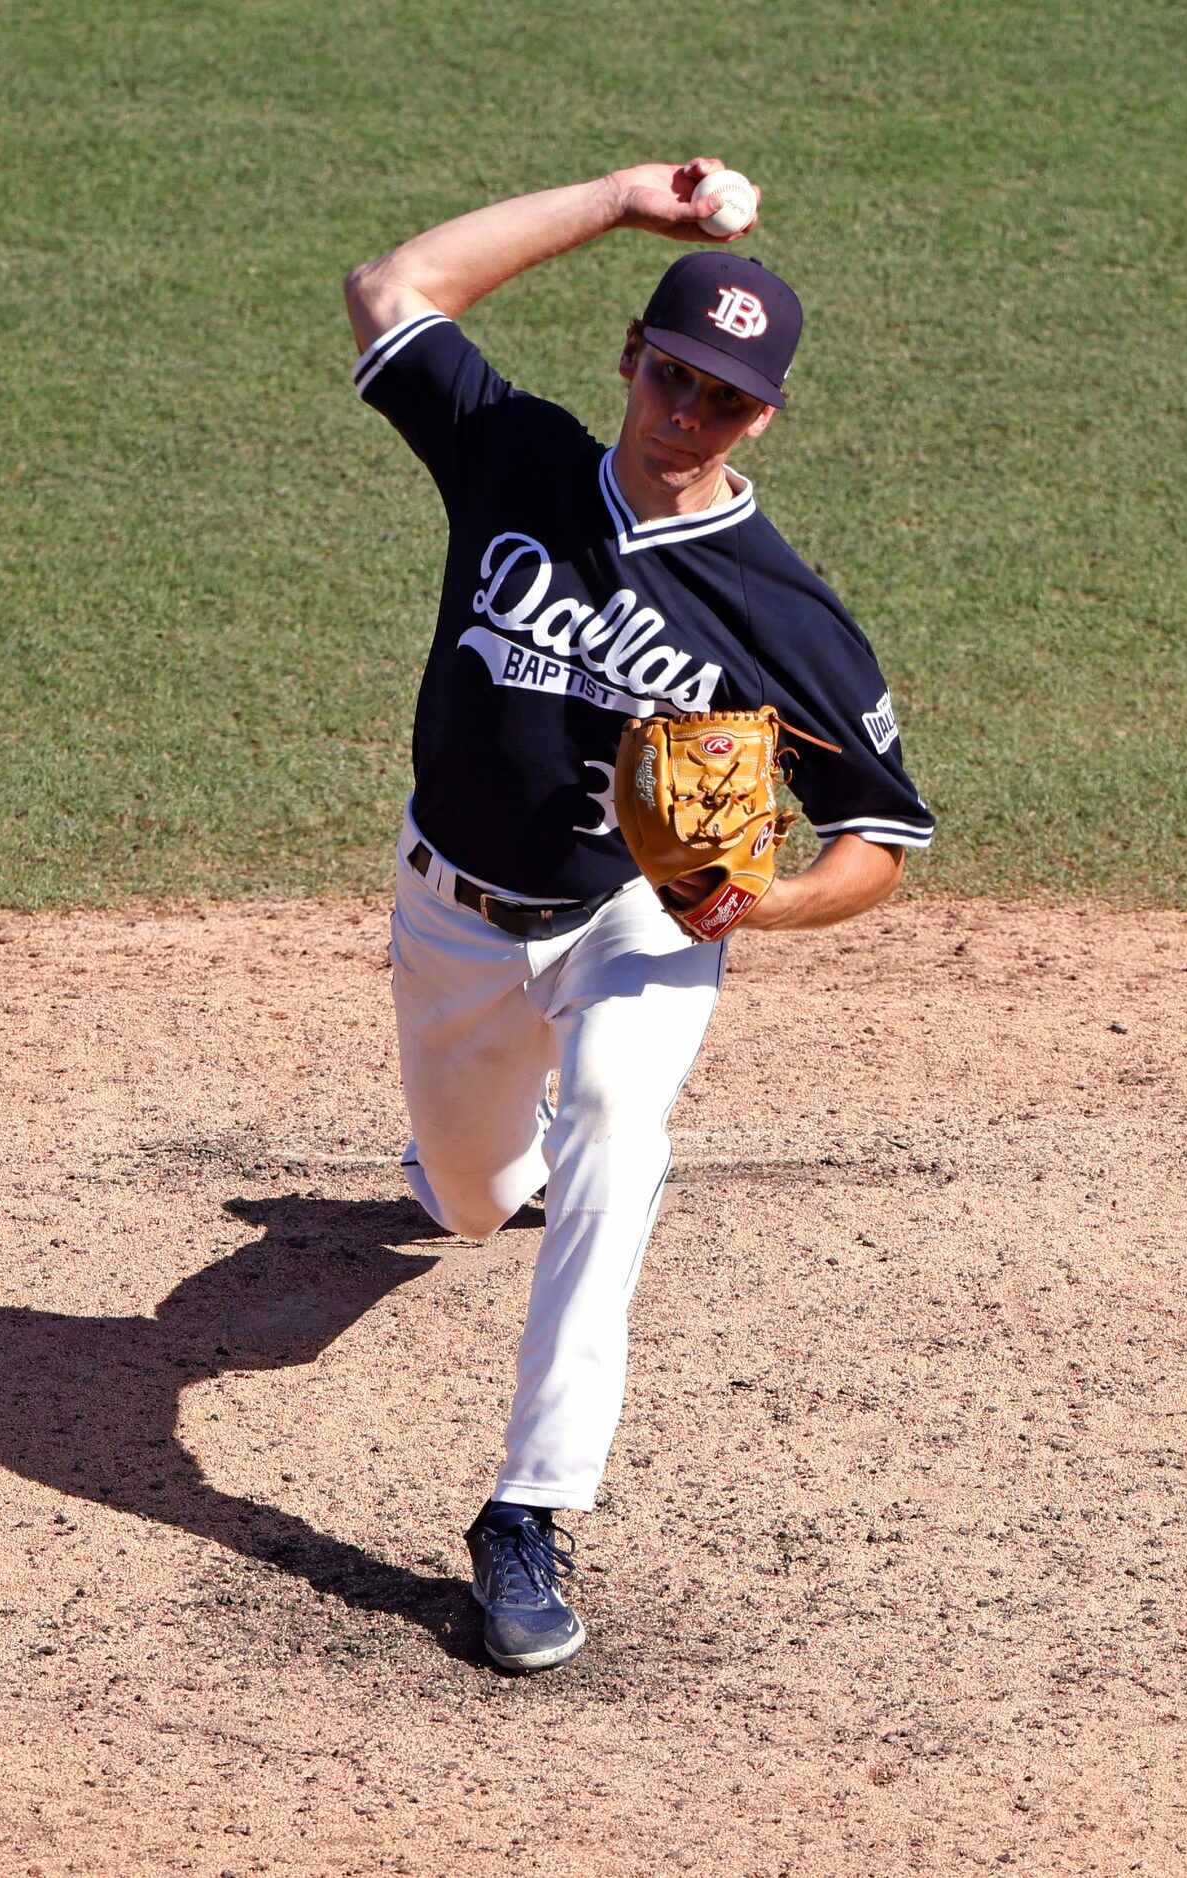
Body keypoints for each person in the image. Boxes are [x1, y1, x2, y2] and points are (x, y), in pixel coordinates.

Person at [341, 160, 934, 1670]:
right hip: (454, 913)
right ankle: (474, 1172)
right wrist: (616, 199)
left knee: (621, 1114)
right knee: (474, 1198)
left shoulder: (782, 611)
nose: (687, 412)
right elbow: (390, 290)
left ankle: (527, 1512)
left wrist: (766, 902)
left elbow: (884, 831)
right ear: (629, 357)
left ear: (765, 419)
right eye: (672, 373)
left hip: (640, 923)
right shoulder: (515, 455)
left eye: (724, 398)